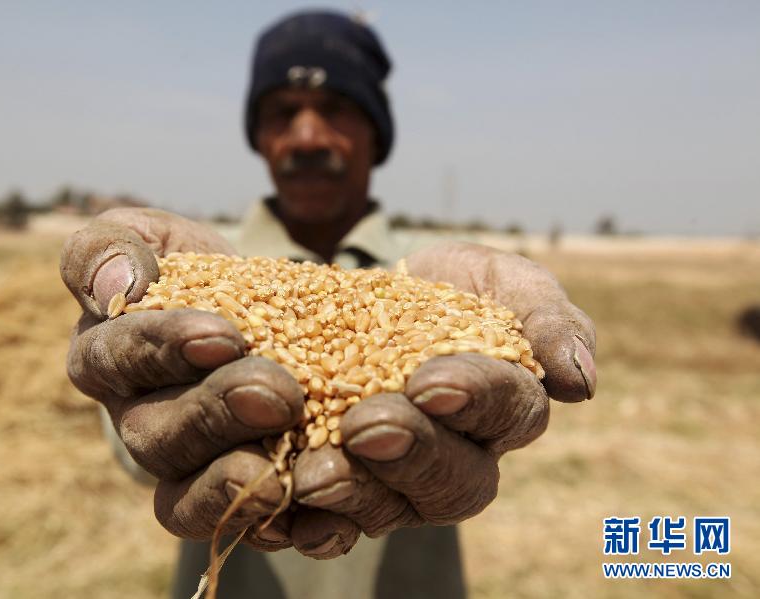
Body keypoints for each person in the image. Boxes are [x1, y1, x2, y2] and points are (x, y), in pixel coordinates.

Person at [60, 10, 597, 599]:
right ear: (260, 136)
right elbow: (135, 445)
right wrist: (139, 395)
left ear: (376, 131)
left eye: (336, 107)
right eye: (282, 113)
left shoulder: (447, 285)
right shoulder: (192, 274)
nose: (308, 136)